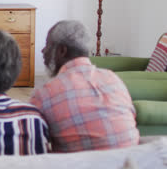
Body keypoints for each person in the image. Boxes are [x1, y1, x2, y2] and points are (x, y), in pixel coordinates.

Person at [30, 20, 139, 152]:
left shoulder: (44, 95)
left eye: (47, 45)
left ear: (62, 51)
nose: (43, 51)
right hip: (131, 162)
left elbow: (34, 143)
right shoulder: (113, 79)